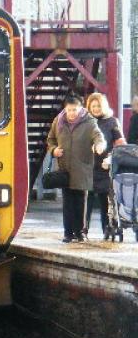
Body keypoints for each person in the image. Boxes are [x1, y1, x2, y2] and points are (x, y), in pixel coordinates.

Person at [46, 93, 106, 243]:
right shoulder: (58, 121)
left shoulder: (89, 122)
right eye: (69, 110)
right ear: (65, 109)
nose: (72, 113)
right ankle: (68, 233)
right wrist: (54, 150)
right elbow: (50, 139)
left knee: (80, 201)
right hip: (65, 168)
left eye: (75, 110)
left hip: (82, 168)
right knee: (67, 202)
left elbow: (98, 136)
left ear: (81, 109)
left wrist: (99, 145)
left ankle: (80, 232)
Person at [84, 93, 126, 237]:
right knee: (86, 201)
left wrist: (110, 158)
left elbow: (120, 145)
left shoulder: (112, 122)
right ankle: (83, 230)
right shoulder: (85, 121)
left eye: (98, 106)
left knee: (104, 201)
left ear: (103, 106)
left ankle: (106, 230)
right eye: (93, 106)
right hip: (88, 166)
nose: (95, 109)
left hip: (104, 167)